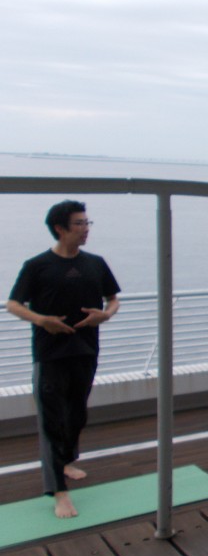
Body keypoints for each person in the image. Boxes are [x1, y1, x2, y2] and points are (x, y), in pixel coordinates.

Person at [6, 200, 120, 518]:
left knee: (77, 415)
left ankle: (66, 461)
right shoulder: (37, 266)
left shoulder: (95, 263)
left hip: (86, 351)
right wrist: (41, 320)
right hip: (50, 355)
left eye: (87, 223)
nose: (86, 229)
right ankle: (58, 491)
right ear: (60, 228)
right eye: (79, 223)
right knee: (52, 422)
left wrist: (105, 315)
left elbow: (113, 299)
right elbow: (13, 304)